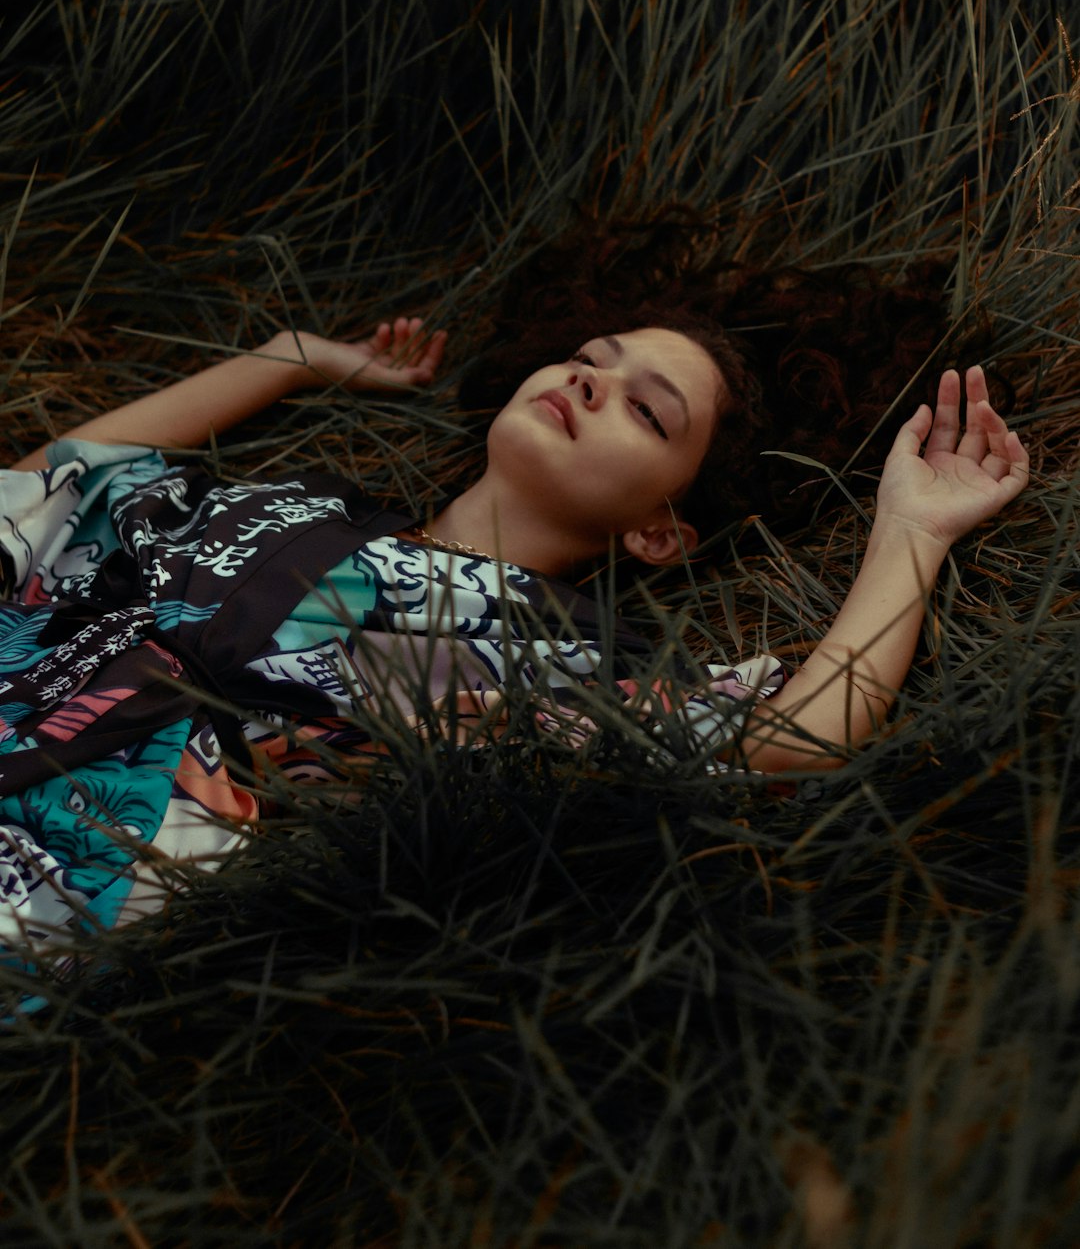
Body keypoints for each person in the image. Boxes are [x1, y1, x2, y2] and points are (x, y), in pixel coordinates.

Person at [0, 295, 1029, 951]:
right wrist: (295, 354)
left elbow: (798, 741)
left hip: (86, 866)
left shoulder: (564, 655)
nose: (592, 378)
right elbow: (66, 477)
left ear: (659, 536)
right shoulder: (306, 506)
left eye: (646, 410)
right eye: (593, 355)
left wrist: (911, 530)